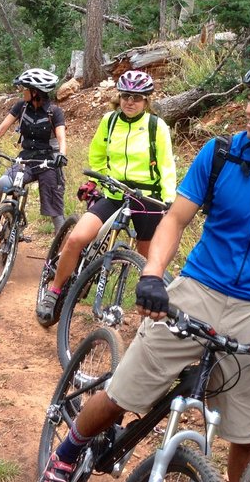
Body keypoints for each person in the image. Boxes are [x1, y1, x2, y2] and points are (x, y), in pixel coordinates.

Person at [42, 55, 250, 482]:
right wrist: (152, 274)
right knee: (122, 394)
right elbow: (175, 219)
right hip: (197, 288)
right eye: (249, 99)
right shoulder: (220, 154)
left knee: (246, 432)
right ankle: (68, 451)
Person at [37, 70, 177, 320]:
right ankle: (54, 290)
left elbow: (167, 167)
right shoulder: (110, 121)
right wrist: (97, 180)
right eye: (125, 96)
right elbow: (98, 155)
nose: (130, 102)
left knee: (147, 261)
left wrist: (168, 201)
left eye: (136, 97)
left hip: (146, 198)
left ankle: (148, 319)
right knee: (76, 239)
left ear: (146, 100)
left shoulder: (157, 126)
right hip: (113, 193)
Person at [0, 68, 68, 233]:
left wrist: (61, 155)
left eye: (25, 88)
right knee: (1, 186)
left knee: (55, 211)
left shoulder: (54, 112)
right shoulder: (21, 107)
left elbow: (61, 137)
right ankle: (8, 219)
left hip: (48, 162)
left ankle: (61, 250)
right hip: (25, 160)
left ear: (35, 92)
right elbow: (2, 128)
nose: (22, 91)